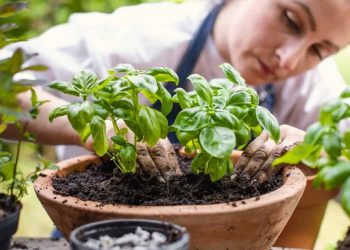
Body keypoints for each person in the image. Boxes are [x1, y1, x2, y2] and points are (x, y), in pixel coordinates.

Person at [2, 0, 350, 182]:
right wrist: (94, 129)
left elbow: (342, 162)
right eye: (290, 20)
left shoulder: (314, 87)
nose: (289, 61)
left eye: (320, 50)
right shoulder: (140, 39)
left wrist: (313, 152)